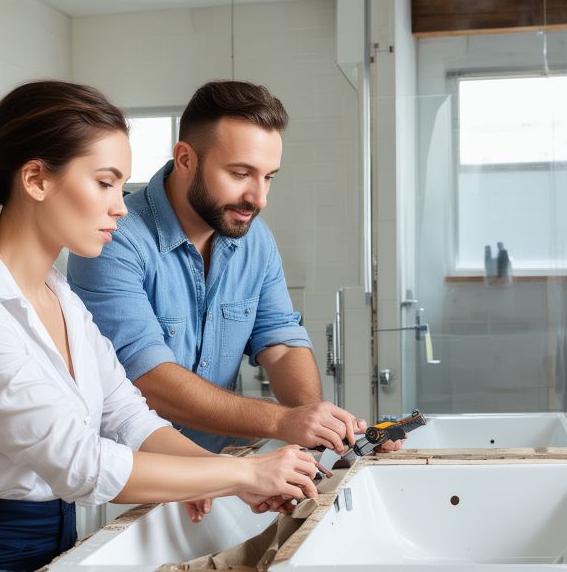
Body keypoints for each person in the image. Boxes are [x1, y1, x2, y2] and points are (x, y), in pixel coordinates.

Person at [0, 81, 319, 572]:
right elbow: (81, 463)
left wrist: (221, 476)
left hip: (56, 538)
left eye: (121, 185)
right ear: (36, 179)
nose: (120, 205)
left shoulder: (60, 296)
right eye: (104, 182)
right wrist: (241, 475)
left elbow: (128, 417)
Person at [68, 81, 402, 455]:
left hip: (226, 469)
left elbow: (280, 340)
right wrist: (282, 422)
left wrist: (316, 419)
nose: (258, 198)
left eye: (268, 177)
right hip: (136, 476)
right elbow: (147, 379)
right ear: (185, 159)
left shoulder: (254, 239)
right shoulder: (114, 239)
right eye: (240, 174)